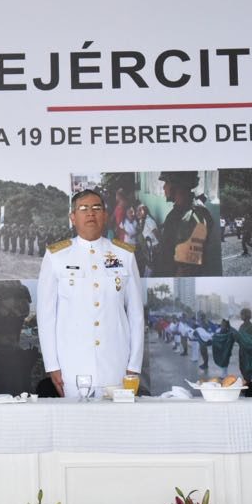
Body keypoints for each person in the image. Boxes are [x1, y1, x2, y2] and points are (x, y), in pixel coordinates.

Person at [37, 190, 144, 399]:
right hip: (73, 365)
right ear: (72, 217)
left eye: (96, 208)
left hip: (116, 364)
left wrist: (134, 366)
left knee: (117, 426)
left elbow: (136, 315)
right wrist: (52, 365)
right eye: (83, 209)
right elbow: (46, 316)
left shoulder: (124, 255)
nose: (90, 214)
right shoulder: (56, 256)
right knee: (76, 428)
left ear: (105, 215)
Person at [154, 171, 216, 277]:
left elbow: (186, 269)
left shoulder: (191, 216)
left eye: (166, 183)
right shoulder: (181, 212)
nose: (163, 188)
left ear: (176, 186)